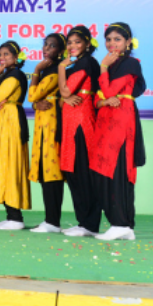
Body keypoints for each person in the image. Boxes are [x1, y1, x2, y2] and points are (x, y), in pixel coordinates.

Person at [91, 23, 146, 241]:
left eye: (117, 39)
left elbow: (109, 90)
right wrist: (104, 101)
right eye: (108, 39)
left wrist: (103, 68)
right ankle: (122, 225)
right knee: (103, 172)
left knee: (118, 171)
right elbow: (97, 100)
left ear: (128, 42)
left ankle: (122, 223)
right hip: (105, 122)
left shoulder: (129, 64)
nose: (112, 43)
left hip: (121, 121)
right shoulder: (112, 65)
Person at [57, 25, 102, 237]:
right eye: (70, 42)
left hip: (82, 122)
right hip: (71, 121)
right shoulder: (77, 64)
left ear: (87, 44)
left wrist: (61, 67)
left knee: (82, 173)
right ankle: (83, 222)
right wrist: (64, 98)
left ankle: (89, 224)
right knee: (73, 172)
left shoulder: (86, 62)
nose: (72, 46)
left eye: (77, 42)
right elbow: (63, 97)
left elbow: (65, 91)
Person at [0, 40, 31, 231]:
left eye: (6, 54)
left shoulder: (15, 75)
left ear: (16, 57)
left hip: (11, 123)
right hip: (1, 123)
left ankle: (16, 217)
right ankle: (10, 215)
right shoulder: (6, 76)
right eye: (0, 54)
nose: (2, 58)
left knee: (10, 166)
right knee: (1, 166)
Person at [27, 33, 67, 233]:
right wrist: (36, 104)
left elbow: (33, 94)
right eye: (45, 44)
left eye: (52, 46)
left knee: (52, 173)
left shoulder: (55, 70)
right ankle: (50, 220)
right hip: (43, 125)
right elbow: (35, 100)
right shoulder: (48, 70)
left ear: (61, 51)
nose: (46, 49)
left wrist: (35, 71)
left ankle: (53, 221)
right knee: (45, 172)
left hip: (53, 125)